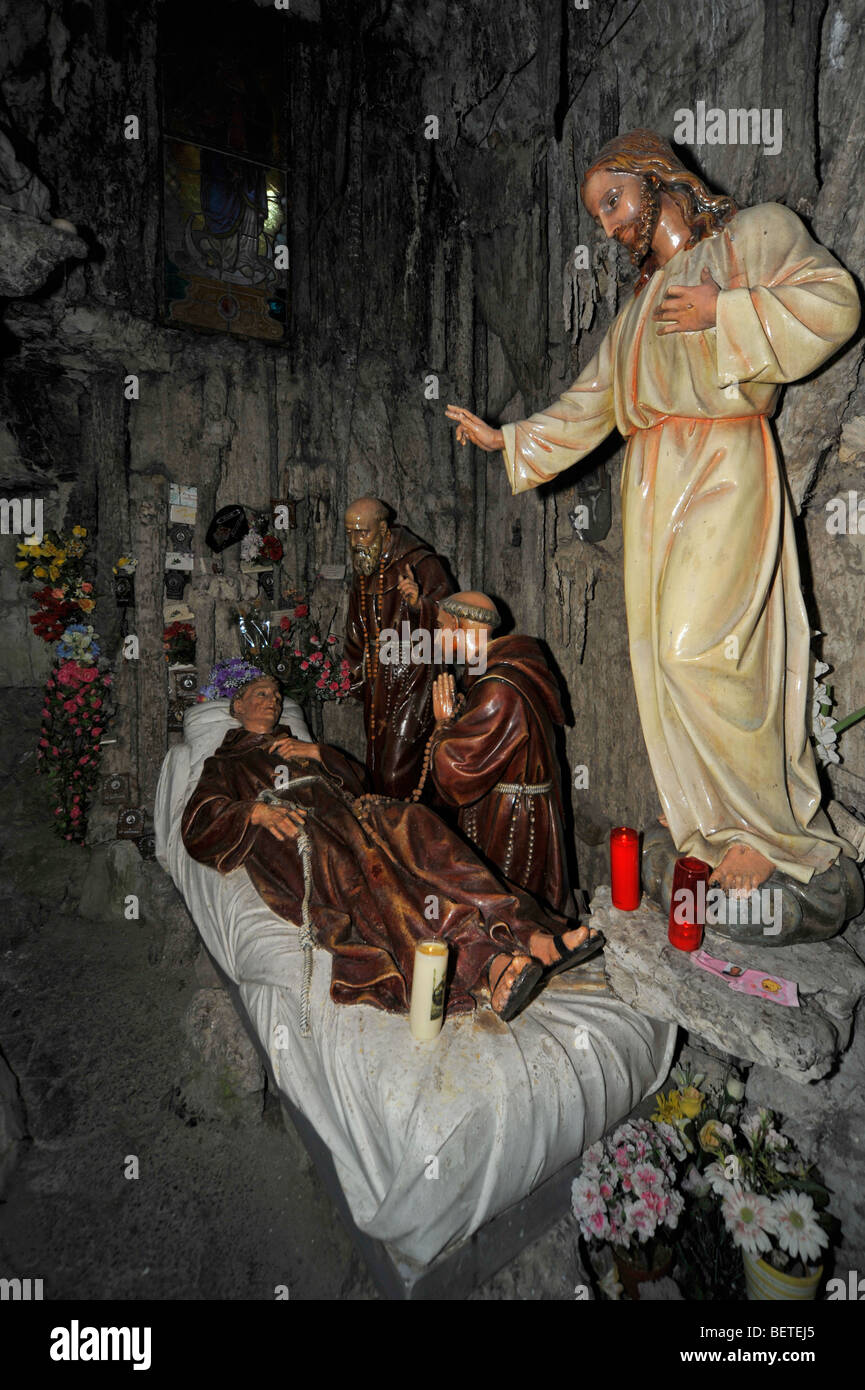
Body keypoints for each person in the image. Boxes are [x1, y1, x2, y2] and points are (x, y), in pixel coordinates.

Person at [445, 128, 860, 923]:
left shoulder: (753, 235)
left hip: (724, 463)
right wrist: (511, 439)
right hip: (651, 483)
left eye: (613, 202)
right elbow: (588, 405)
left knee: (702, 648)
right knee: (660, 666)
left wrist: (727, 310)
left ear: (658, 179)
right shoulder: (633, 314)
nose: (607, 226)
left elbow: (835, 304)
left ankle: (768, 833)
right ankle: (712, 817)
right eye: (597, 216)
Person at [181, 672, 602, 1023]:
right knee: (369, 871)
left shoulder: (300, 747)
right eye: (260, 694)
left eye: (276, 694)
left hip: (356, 814)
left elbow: (359, 782)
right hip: (301, 834)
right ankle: (485, 968)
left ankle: (531, 936)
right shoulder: (226, 764)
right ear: (236, 708)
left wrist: (316, 752)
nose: (271, 700)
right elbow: (197, 825)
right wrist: (255, 813)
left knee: (419, 826)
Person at [427, 591, 572, 922]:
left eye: (441, 627)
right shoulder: (496, 675)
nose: (435, 636)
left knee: (512, 913)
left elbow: (460, 768)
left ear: (461, 627)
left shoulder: (500, 686)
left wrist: (444, 725)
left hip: (513, 822)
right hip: (510, 808)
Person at [343, 496, 453, 798]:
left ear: (383, 528)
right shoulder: (364, 565)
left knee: (398, 770)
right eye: (349, 532)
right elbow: (356, 625)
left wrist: (420, 604)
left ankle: (410, 834)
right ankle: (389, 836)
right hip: (379, 682)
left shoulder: (422, 563)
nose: (355, 541)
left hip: (415, 679)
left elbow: (454, 619)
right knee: (378, 765)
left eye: (361, 532)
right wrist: (356, 668)